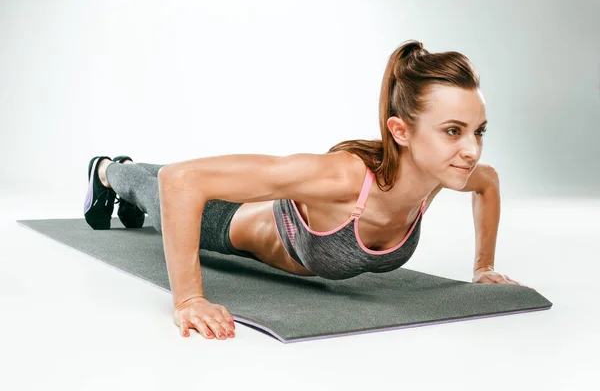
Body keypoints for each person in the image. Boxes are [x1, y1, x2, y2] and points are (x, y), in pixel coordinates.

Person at [82, 40, 533, 341]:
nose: (471, 149)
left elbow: (488, 183)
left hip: (256, 216)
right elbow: (181, 181)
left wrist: (484, 266)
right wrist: (189, 300)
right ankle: (106, 172)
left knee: (162, 189)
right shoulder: (342, 178)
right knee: (151, 186)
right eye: (453, 131)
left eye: (479, 131)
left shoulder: (442, 174)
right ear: (401, 131)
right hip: (221, 224)